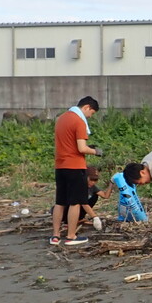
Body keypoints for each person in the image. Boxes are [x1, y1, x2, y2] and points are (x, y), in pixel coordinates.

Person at [50, 96, 102, 246]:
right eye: (91, 113)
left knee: (60, 202)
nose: (90, 116)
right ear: (86, 107)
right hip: (75, 166)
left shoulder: (61, 118)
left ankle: (55, 236)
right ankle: (71, 236)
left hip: (60, 166)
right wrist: (96, 151)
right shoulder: (78, 121)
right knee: (75, 202)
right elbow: (81, 148)